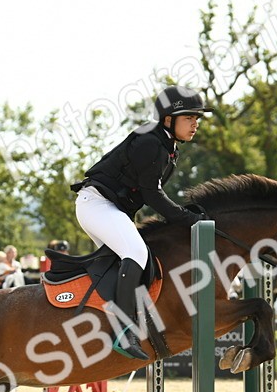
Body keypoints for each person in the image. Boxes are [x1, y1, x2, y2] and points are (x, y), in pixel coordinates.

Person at [70, 85, 213, 360]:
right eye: (189, 118)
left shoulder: (166, 146)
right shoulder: (151, 142)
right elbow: (152, 194)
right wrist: (189, 219)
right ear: (168, 120)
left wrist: (186, 215)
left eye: (197, 118)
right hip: (97, 205)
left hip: (108, 208)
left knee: (134, 259)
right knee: (135, 252)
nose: (195, 124)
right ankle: (123, 331)